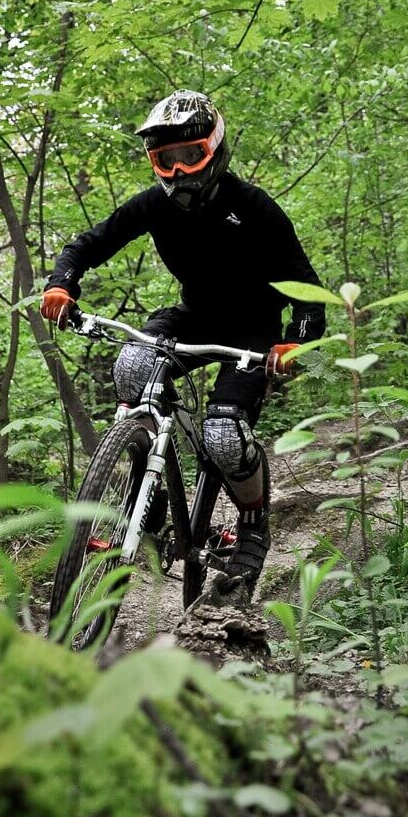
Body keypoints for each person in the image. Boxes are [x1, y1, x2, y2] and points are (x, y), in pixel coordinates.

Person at [41, 90, 325, 599]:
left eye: (189, 156)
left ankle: (253, 525)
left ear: (214, 150)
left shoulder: (255, 208)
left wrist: (294, 345)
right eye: (165, 159)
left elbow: (308, 295)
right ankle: (144, 488)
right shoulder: (154, 205)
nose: (177, 171)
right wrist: (62, 284)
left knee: (224, 437)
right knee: (131, 366)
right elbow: (87, 244)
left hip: (253, 330)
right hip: (193, 317)